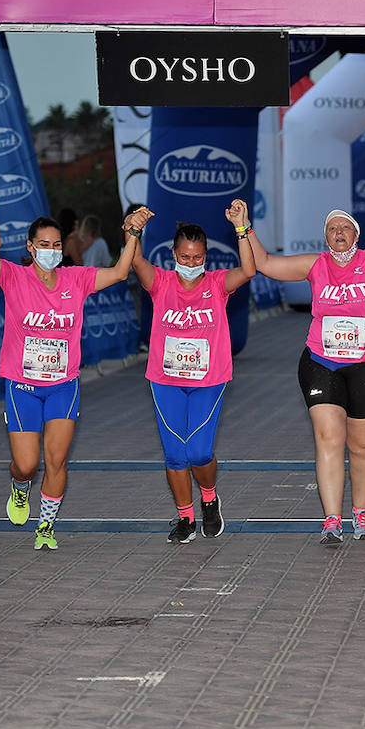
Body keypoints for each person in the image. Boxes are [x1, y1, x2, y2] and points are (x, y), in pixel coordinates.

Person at [0, 206, 153, 550]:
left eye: (56, 245)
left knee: (56, 460)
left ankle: (46, 526)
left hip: (62, 386)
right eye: (44, 244)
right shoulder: (13, 276)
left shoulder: (75, 278)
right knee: (26, 465)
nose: (52, 251)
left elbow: (118, 272)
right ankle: (20, 486)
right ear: (30, 246)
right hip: (22, 385)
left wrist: (133, 234)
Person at [249, 209, 365, 544]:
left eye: (346, 227)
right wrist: (244, 227)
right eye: (332, 228)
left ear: (357, 235)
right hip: (321, 361)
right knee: (329, 437)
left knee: (362, 444)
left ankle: (360, 511)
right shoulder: (315, 264)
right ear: (325, 236)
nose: (339, 232)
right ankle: (331, 519)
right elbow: (266, 263)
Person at [133, 203, 255, 543]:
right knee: (175, 453)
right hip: (166, 379)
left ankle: (210, 497)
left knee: (199, 452)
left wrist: (241, 229)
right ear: (174, 254)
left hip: (208, 379)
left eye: (197, 258)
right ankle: (186, 518)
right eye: (184, 258)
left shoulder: (217, 283)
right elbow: (135, 261)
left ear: (206, 256)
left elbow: (248, 269)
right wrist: (133, 231)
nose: (190, 264)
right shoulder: (161, 282)